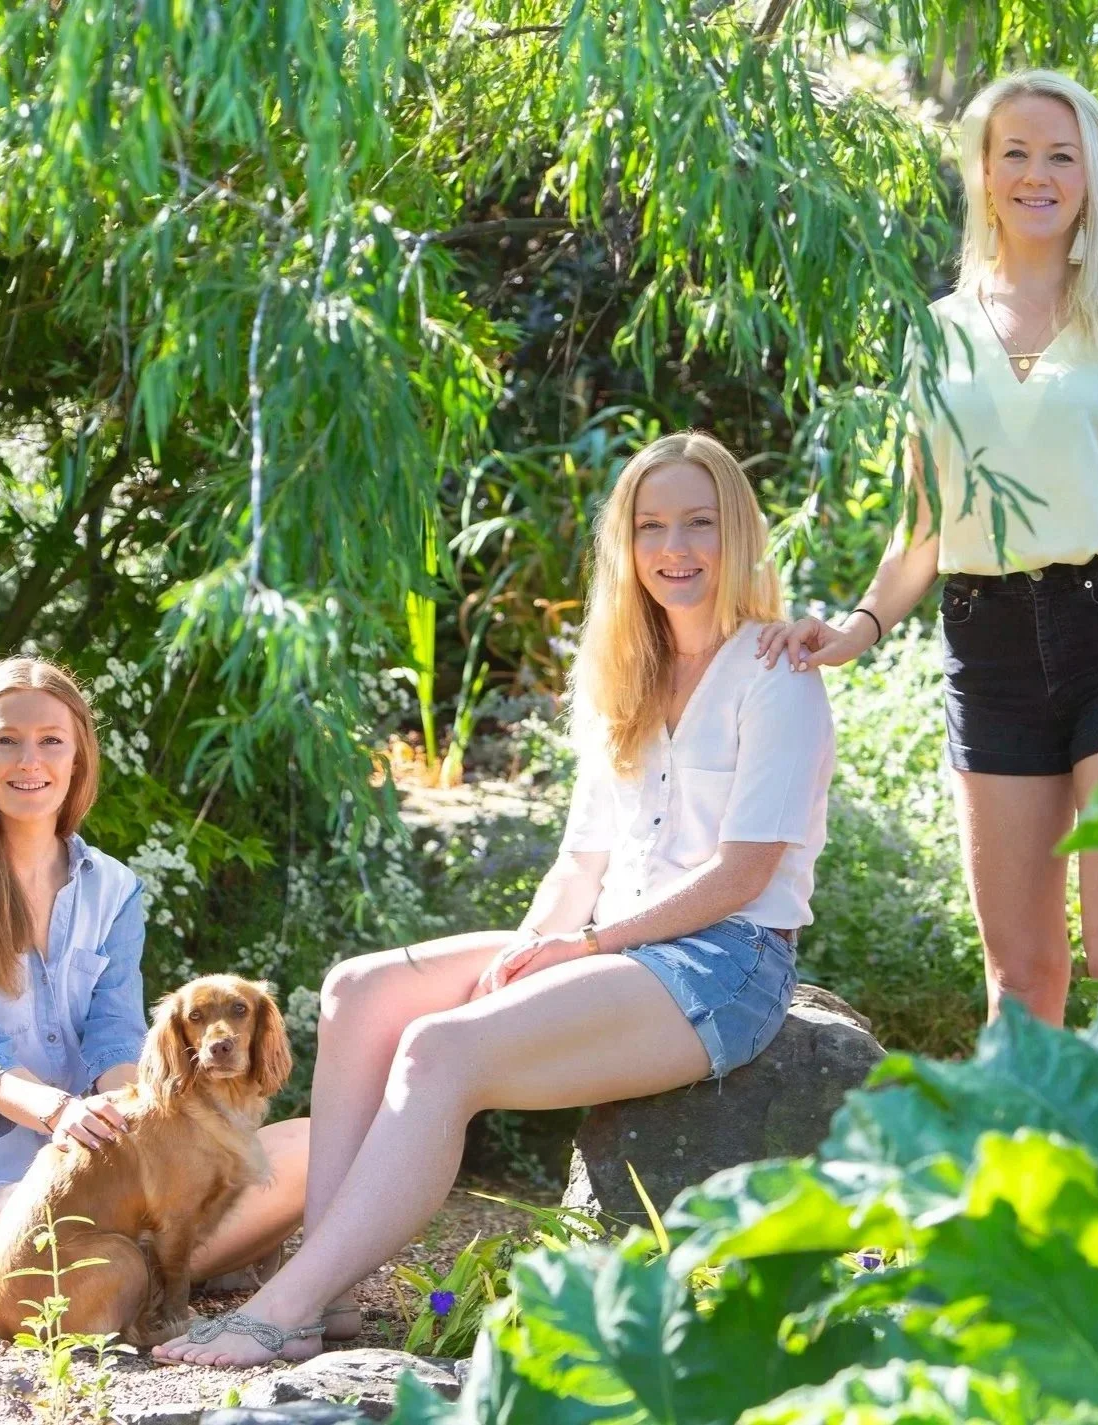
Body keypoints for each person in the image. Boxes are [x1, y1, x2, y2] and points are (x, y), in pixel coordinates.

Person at [153, 430, 835, 1366]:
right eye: (651, 525)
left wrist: (582, 949)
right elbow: (577, 863)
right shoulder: (621, 677)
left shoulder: (777, 672)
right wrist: (529, 951)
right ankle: (332, 1291)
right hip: (616, 945)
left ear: (738, 535)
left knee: (441, 1049)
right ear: (625, 546)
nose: (675, 547)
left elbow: (742, 874)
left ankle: (283, 1304)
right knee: (359, 989)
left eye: (699, 522)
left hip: (724, 961)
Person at [758, 70, 1098, 1026]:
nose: (1035, 174)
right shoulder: (939, 334)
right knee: (1020, 973)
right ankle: (1020, 1174)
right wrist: (861, 624)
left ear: (1092, 176)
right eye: (1015, 153)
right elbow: (924, 526)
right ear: (983, 173)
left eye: (1060, 154)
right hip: (987, 644)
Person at [0, 657, 308, 1307]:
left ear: (78, 755)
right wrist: (63, 1112)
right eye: (5, 740)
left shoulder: (113, 886)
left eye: (51, 739)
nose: (30, 760)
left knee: (312, 1145)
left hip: (107, 1173)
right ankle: (189, 1260)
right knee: (56, 1232)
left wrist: (153, 1129)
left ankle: (159, 1262)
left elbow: (114, 1040)